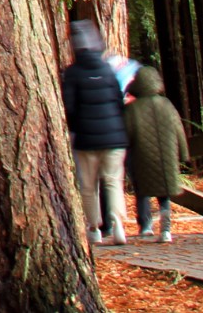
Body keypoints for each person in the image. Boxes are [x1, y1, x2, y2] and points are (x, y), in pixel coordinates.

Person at [61, 19, 129, 246]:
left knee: (89, 185)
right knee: (112, 181)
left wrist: (73, 130)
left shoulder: (72, 74)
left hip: (86, 138)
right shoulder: (108, 70)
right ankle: (117, 223)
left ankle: (94, 227)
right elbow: (118, 102)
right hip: (114, 138)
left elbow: (69, 107)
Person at [124, 65, 188, 242]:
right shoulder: (166, 104)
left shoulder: (132, 109)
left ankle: (146, 227)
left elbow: (126, 134)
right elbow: (179, 130)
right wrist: (184, 154)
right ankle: (166, 230)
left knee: (142, 192)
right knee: (164, 194)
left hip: (141, 157)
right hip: (166, 157)